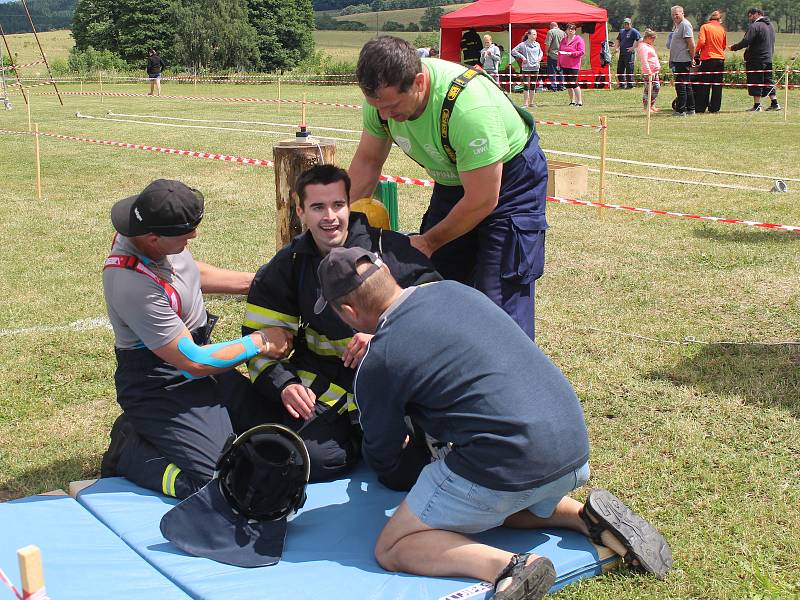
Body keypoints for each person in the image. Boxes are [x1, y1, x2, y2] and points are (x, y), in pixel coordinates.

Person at [314, 246, 674, 600]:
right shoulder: (454, 289)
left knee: (393, 546)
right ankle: (585, 517)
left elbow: (383, 452)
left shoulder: (380, 360)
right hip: (573, 451)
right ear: (388, 274)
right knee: (492, 507)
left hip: (508, 465)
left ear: (347, 310)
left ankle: (512, 566)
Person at [242, 164, 440, 482]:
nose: (330, 217)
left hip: (389, 387)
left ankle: (381, 442)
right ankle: (354, 440)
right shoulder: (288, 266)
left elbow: (439, 308)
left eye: (337, 205)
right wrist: (285, 385)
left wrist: (384, 338)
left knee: (402, 473)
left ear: (350, 204)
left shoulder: (387, 250)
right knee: (310, 462)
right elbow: (257, 337)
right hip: (324, 391)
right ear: (300, 212)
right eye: (318, 207)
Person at [100, 179, 293, 499]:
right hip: (162, 384)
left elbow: (190, 272)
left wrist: (257, 282)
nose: (194, 236)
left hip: (196, 363)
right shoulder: (130, 283)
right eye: (185, 233)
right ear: (152, 239)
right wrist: (260, 342)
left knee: (276, 439)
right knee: (223, 483)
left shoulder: (149, 234)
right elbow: (192, 362)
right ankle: (130, 448)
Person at [348, 35, 549, 341]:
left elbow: (482, 199)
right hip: (454, 181)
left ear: (418, 82)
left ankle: (502, 377)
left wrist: (429, 240)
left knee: (498, 298)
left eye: (392, 106)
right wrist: (338, 222)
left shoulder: (468, 108)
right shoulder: (381, 103)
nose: (386, 116)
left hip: (510, 185)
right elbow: (367, 163)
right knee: (430, 282)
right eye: (378, 107)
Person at [730, 7, 780, 112]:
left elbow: (746, 41)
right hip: (768, 58)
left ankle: (757, 106)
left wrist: (733, 47)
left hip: (756, 59)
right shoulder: (770, 26)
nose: (750, 18)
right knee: (768, 81)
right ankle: (775, 103)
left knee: (755, 81)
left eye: (750, 16)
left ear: (757, 14)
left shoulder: (755, 26)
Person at [694, 11, 727, 113]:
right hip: (720, 59)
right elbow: (724, 46)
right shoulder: (722, 29)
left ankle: (701, 107)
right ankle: (715, 108)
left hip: (708, 58)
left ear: (710, 19)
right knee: (717, 85)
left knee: (704, 84)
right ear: (720, 20)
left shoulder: (705, 27)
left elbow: (702, 41)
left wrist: (696, 51)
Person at [669, 6, 696, 116]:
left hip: (682, 60)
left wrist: (692, 58)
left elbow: (691, 44)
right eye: (673, 14)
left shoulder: (685, 25)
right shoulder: (678, 26)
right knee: (686, 85)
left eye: (677, 14)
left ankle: (681, 110)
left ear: (682, 13)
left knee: (681, 86)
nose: (675, 16)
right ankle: (691, 109)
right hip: (677, 60)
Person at [511, 29, 543, 108]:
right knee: (526, 86)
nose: (535, 36)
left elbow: (541, 52)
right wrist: (522, 57)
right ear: (528, 35)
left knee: (533, 86)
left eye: (535, 34)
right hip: (526, 68)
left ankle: (531, 103)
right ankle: (525, 104)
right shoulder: (523, 44)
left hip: (535, 67)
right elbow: (513, 51)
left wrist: (539, 58)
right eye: (533, 34)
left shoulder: (537, 44)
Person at [558, 23, 585, 106]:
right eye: (569, 29)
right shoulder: (563, 40)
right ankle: (572, 101)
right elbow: (559, 52)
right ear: (566, 30)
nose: (570, 31)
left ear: (575, 31)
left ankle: (579, 101)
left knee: (574, 83)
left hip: (574, 65)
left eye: (572, 29)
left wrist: (571, 54)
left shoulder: (579, 39)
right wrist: (558, 64)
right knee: (568, 84)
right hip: (564, 64)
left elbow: (581, 52)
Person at [637, 29, 661, 112]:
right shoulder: (643, 47)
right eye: (652, 39)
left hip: (655, 72)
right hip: (649, 72)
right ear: (647, 38)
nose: (653, 41)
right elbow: (644, 60)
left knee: (656, 88)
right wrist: (648, 71)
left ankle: (652, 105)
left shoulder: (648, 46)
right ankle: (646, 107)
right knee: (648, 90)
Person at [615, 18, 641, 89]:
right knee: (620, 69)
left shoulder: (633, 31)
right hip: (622, 53)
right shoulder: (621, 31)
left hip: (629, 54)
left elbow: (640, 39)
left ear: (630, 24)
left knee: (629, 69)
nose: (626, 25)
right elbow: (618, 39)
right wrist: (617, 47)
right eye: (625, 24)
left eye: (627, 24)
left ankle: (630, 85)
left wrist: (633, 47)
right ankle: (621, 85)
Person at [544, 22, 566, 91]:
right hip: (561, 55)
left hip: (552, 55)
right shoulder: (563, 33)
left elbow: (548, 43)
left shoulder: (550, 32)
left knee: (552, 72)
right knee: (560, 72)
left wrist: (546, 52)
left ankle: (553, 87)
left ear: (551, 26)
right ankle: (561, 87)